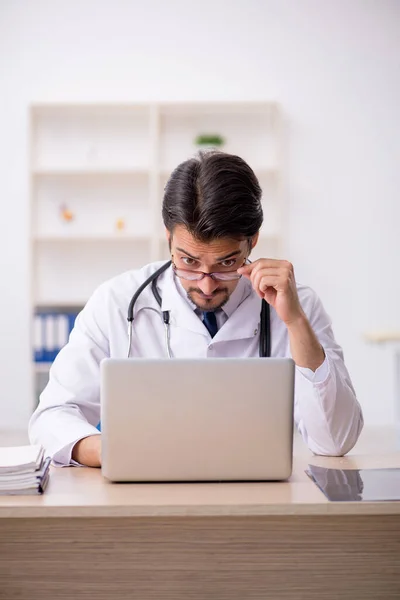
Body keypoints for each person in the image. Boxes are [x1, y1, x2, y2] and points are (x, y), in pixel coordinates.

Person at [29, 151, 363, 467]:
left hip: (257, 502)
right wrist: (116, 451)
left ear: (253, 241)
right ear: (168, 239)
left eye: (227, 263)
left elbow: (335, 441)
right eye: (188, 261)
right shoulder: (116, 301)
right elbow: (51, 418)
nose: (206, 284)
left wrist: (295, 323)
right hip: (142, 498)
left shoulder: (296, 306)